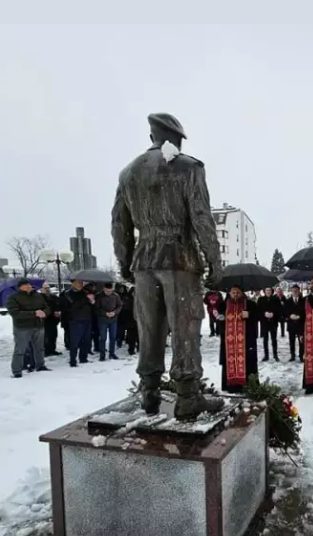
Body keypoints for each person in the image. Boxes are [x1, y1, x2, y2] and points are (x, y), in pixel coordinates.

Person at [110, 112, 224, 418]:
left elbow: (119, 225)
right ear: (176, 139)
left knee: (149, 328)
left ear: (152, 137)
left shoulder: (128, 173)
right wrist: (215, 262)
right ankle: (188, 397)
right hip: (179, 258)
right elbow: (202, 218)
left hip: (143, 261)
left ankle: (149, 392)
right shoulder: (189, 167)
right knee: (185, 325)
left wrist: (124, 262)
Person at [213, 285, 259, 392]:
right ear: (229, 293)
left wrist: (250, 314)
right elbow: (218, 319)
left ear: (242, 293)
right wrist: (220, 319)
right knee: (228, 363)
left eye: (237, 292)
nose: (235, 295)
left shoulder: (250, 304)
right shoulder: (223, 305)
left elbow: (258, 316)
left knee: (248, 363)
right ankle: (231, 386)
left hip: (246, 341)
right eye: (233, 292)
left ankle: (249, 386)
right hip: (229, 341)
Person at [6, 278, 51, 378]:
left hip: (38, 325)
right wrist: (34, 313)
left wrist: (45, 312)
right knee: (20, 349)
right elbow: (15, 313)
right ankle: (17, 370)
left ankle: (40, 365)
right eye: (25, 285)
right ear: (20, 287)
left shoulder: (38, 296)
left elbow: (47, 307)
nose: (28, 286)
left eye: (29, 284)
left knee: (39, 348)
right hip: (22, 328)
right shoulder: (13, 298)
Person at [61, 279, 96, 367]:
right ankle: (73, 360)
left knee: (86, 340)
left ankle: (83, 358)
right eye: (78, 283)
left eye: (81, 283)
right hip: (75, 320)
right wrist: (85, 300)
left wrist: (92, 301)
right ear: (73, 284)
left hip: (87, 319)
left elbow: (92, 306)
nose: (80, 284)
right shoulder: (67, 294)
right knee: (75, 342)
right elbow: (71, 307)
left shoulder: (85, 292)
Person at [95, 282, 123, 361]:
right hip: (103, 320)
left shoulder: (116, 296)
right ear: (104, 289)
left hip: (113, 320)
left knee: (113, 337)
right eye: (107, 291)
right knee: (103, 338)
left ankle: (112, 353)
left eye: (110, 291)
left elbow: (120, 305)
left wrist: (114, 312)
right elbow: (96, 309)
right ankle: (102, 354)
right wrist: (105, 313)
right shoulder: (99, 296)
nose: (109, 293)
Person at [257, 286, 282, 361]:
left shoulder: (276, 299)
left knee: (274, 339)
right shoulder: (261, 299)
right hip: (264, 323)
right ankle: (266, 355)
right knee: (265, 339)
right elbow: (258, 310)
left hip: (273, 322)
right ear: (264, 291)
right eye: (267, 290)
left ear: (272, 291)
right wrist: (264, 314)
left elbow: (279, 310)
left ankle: (275, 355)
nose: (268, 291)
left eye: (269, 290)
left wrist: (274, 314)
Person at [283, 284, 305, 362]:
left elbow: (305, 311)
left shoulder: (303, 301)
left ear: (299, 291)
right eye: (293, 290)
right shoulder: (288, 301)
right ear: (291, 291)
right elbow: (284, 311)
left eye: (296, 290)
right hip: (291, 324)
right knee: (291, 341)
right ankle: (292, 355)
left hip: (300, 324)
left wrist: (300, 316)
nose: (295, 291)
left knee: (301, 341)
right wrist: (290, 316)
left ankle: (301, 355)